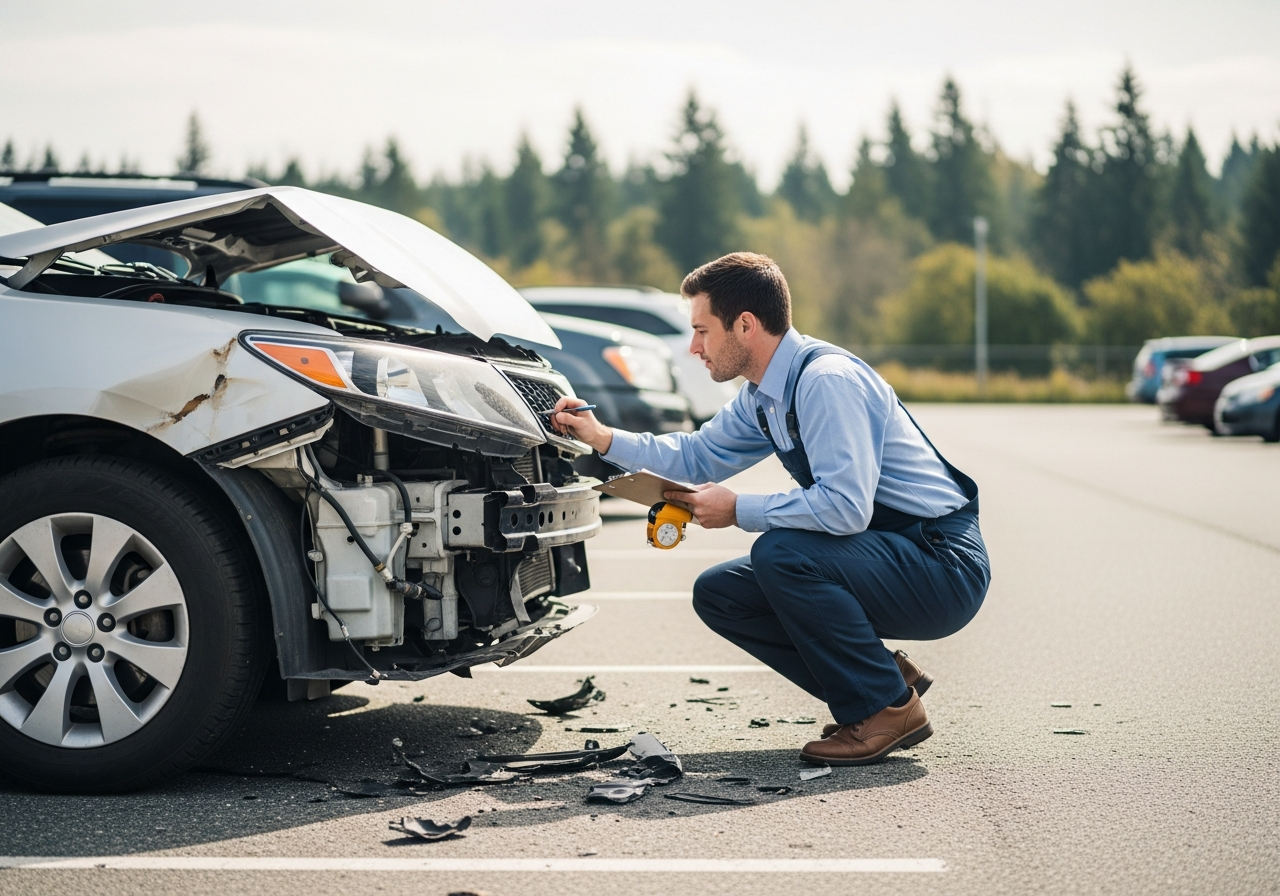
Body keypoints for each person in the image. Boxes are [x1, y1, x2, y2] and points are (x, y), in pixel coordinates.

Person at [550, 252, 990, 765]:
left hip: (940, 564)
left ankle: (886, 709)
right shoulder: (763, 395)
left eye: (701, 331)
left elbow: (845, 509)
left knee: (782, 553)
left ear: (745, 325)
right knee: (721, 594)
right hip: (892, 551)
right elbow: (696, 456)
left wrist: (738, 509)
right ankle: (883, 680)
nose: (693, 348)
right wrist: (602, 438)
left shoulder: (826, 381)